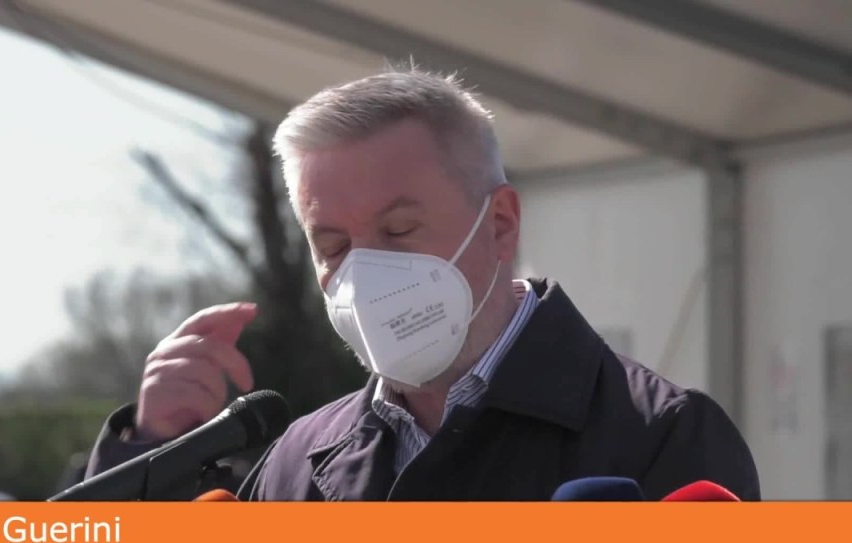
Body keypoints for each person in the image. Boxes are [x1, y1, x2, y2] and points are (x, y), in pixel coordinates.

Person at [84, 68, 760, 501]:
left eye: (399, 231)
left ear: (500, 223)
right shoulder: (297, 462)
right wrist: (150, 458)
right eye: (333, 245)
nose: (365, 274)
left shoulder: (661, 437)